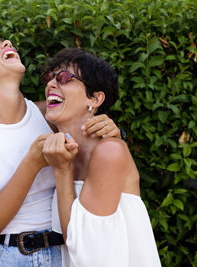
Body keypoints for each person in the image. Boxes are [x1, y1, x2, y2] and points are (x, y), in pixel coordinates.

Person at [0, 35, 123, 266]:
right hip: (0, 258)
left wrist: (112, 131)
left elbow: (99, 148)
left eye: (6, 42)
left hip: (63, 254)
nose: (6, 43)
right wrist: (32, 163)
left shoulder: (52, 114)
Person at [42, 48, 161, 267]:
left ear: (96, 99)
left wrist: (62, 171)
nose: (50, 84)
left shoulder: (109, 151)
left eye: (64, 78)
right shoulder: (61, 150)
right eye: (49, 78)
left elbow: (86, 251)